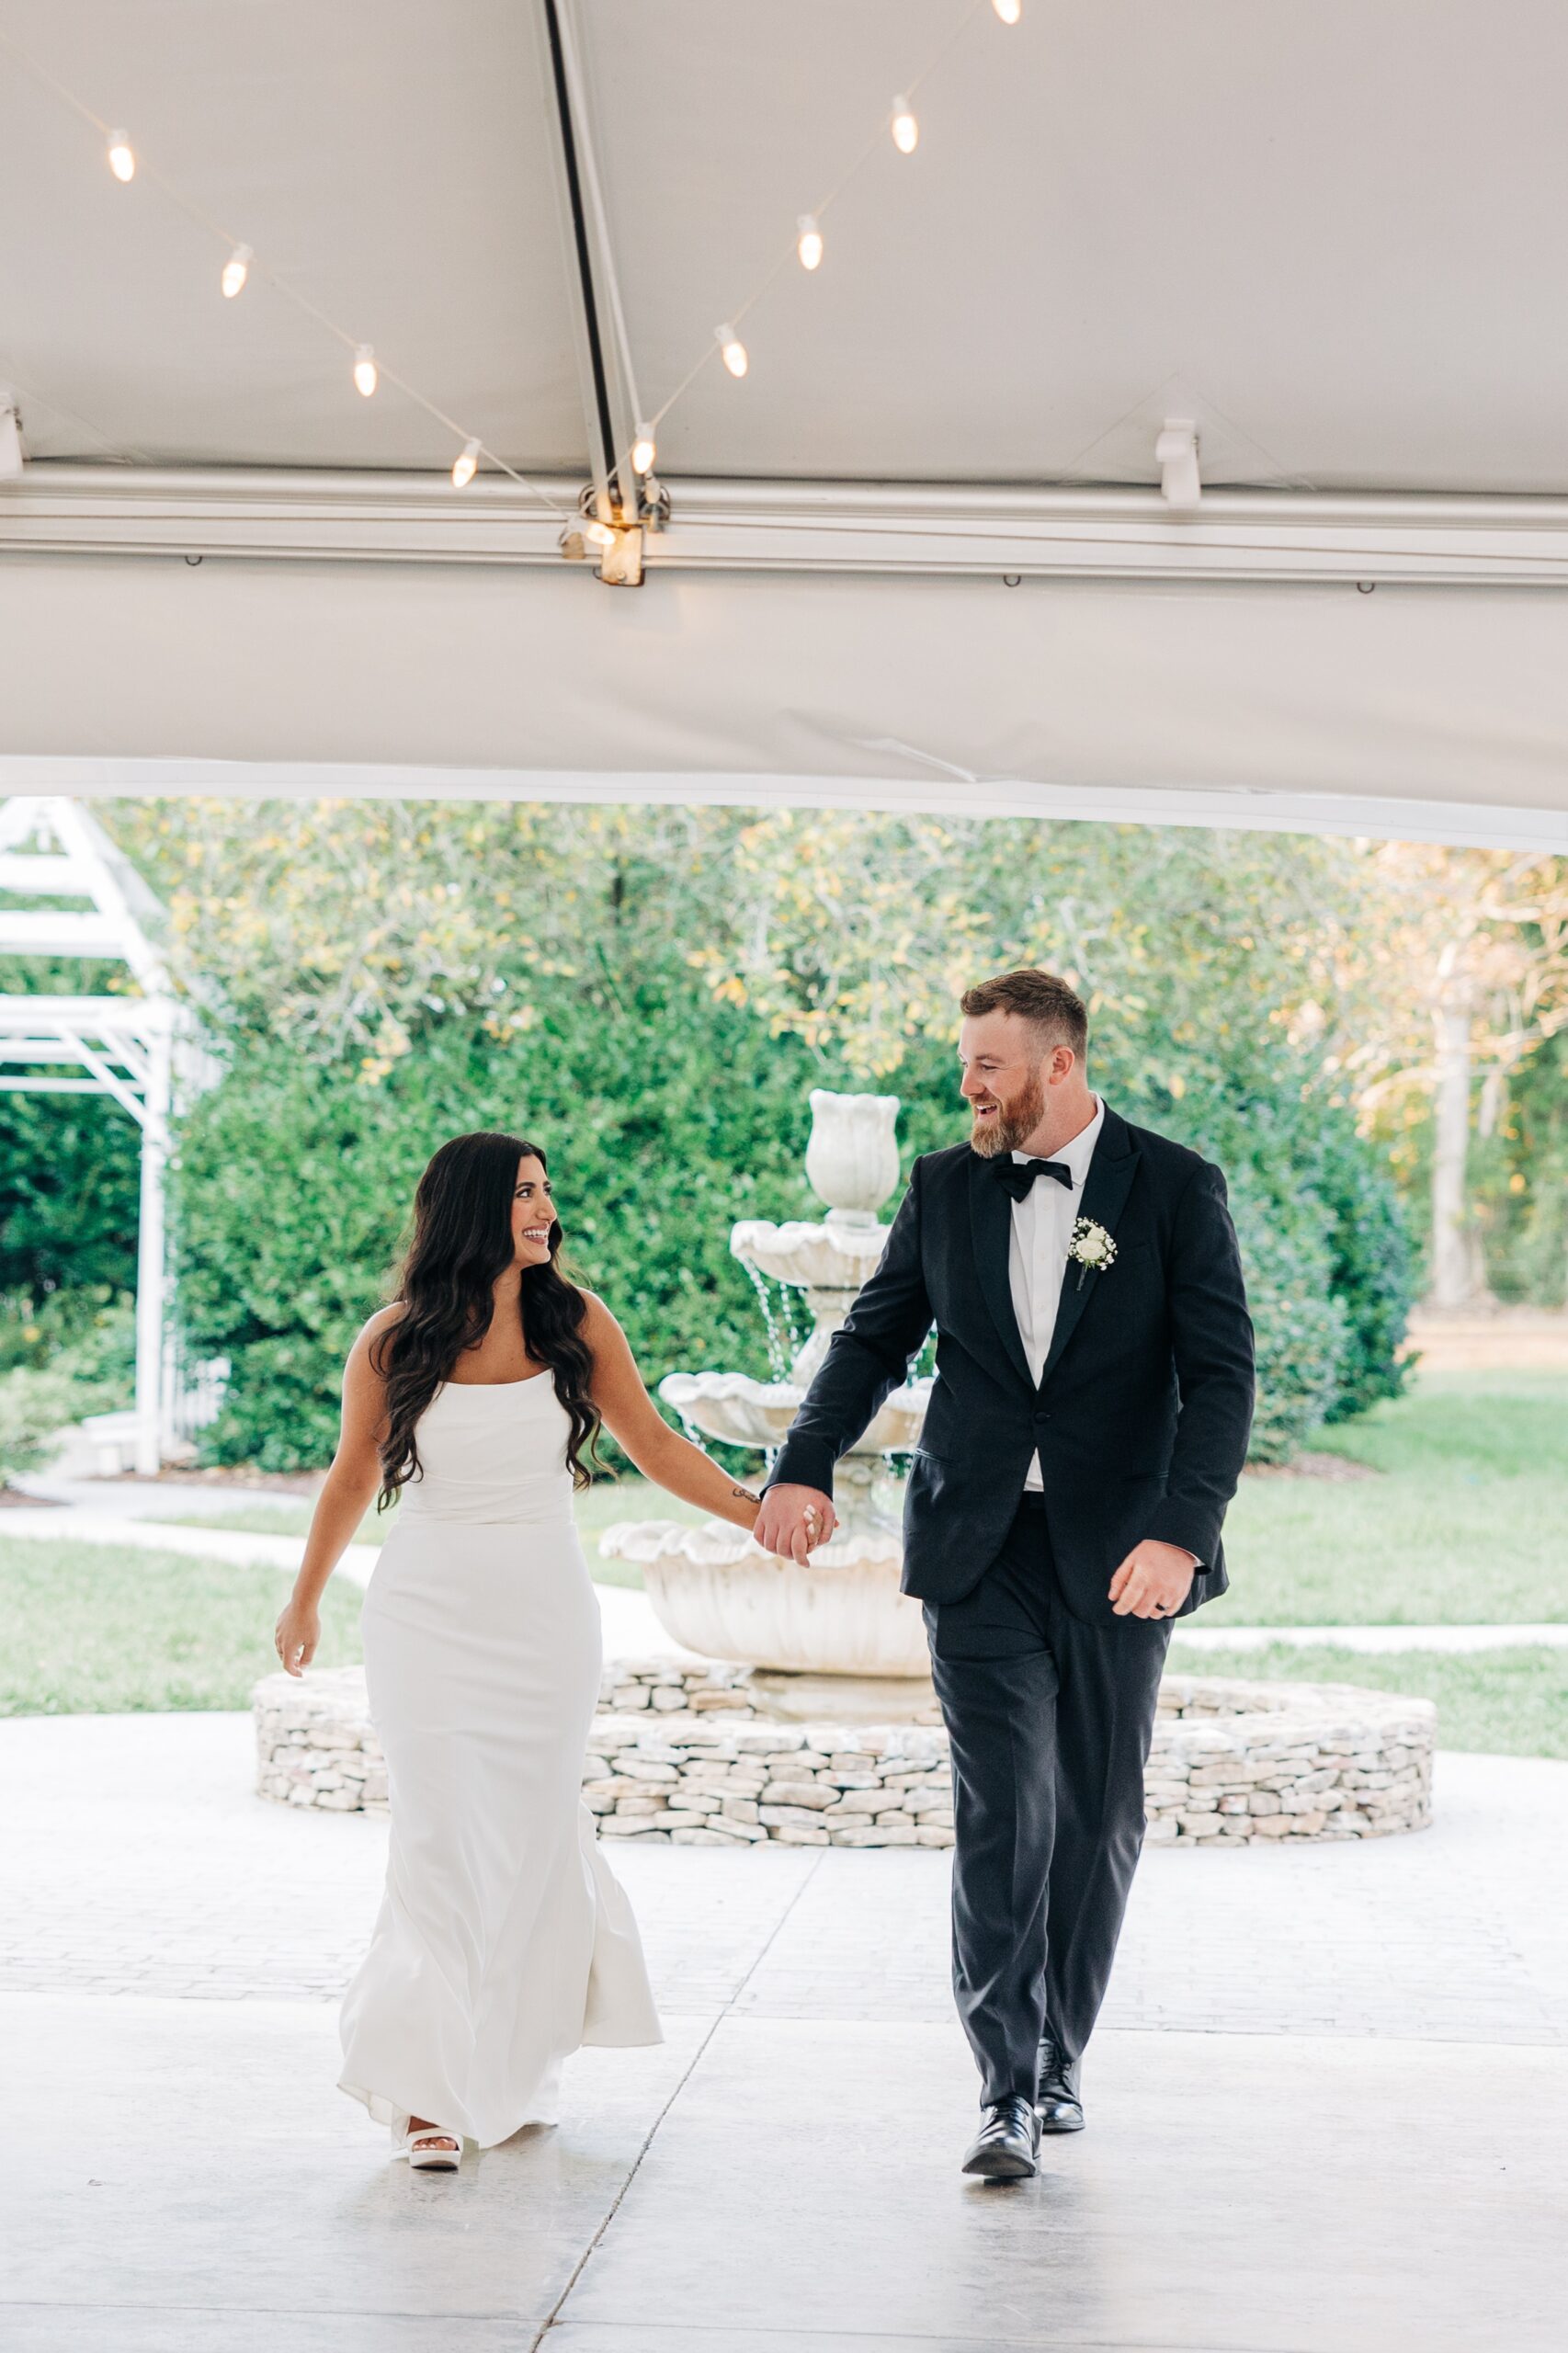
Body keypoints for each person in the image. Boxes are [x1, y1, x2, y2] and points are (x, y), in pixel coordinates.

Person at [756, 970, 1255, 2180]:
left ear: (1058, 1066)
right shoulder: (940, 1186)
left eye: (988, 1063)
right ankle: (1003, 2087)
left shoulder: (1174, 1187)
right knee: (1005, 1808)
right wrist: (802, 1464)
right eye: (966, 1061)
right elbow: (871, 1336)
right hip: (975, 1547)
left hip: (1119, 1554)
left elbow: (1222, 1373)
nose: (966, 1083)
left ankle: (1059, 2054)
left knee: (1094, 1810)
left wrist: (1181, 1531)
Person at [274, 1130, 763, 2170]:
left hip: (543, 1619)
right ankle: (425, 2094)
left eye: (546, 1192)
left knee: (532, 1843)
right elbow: (350, 1476)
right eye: (524, 1195)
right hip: (426, 1617)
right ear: (471, 1209)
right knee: (438, 1842)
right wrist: (304, 1599)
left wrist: (751, 1511)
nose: (545, 1210)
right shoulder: (391, 1339)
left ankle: (505, 2065)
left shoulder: (576, 1320)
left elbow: (655, 1442)